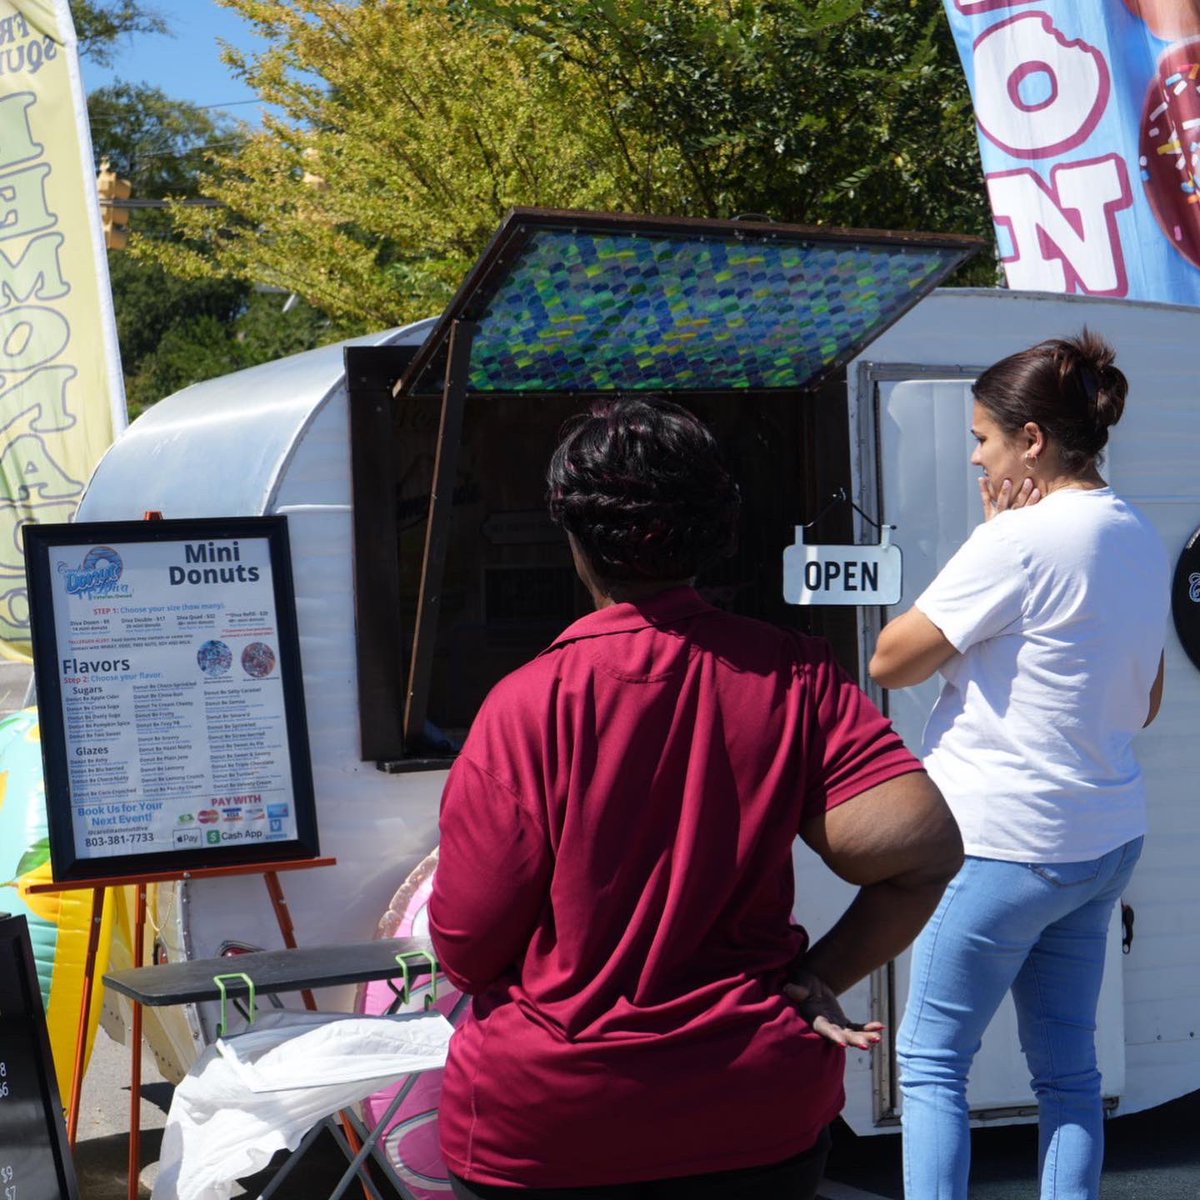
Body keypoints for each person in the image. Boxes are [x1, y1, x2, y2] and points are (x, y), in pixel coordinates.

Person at [429, 397, 963, 1200]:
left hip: (553, 1126)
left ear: (575, 538)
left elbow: (465, 944)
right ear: (718, 527)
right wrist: (819, 976)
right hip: (758, 1115)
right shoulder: (796, 676)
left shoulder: (527, 702)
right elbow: (925, 855)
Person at [870, 331, 1169, 1200]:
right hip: (1103, 839)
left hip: (1003, 843)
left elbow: (894, 659)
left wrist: (991, 538)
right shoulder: (1138, 533)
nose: (974, 457)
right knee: (1068, 1074)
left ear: (1030, 441)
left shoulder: (1017, 541)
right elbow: (1143, 702)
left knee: (930, 1066)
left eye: (982, 440)